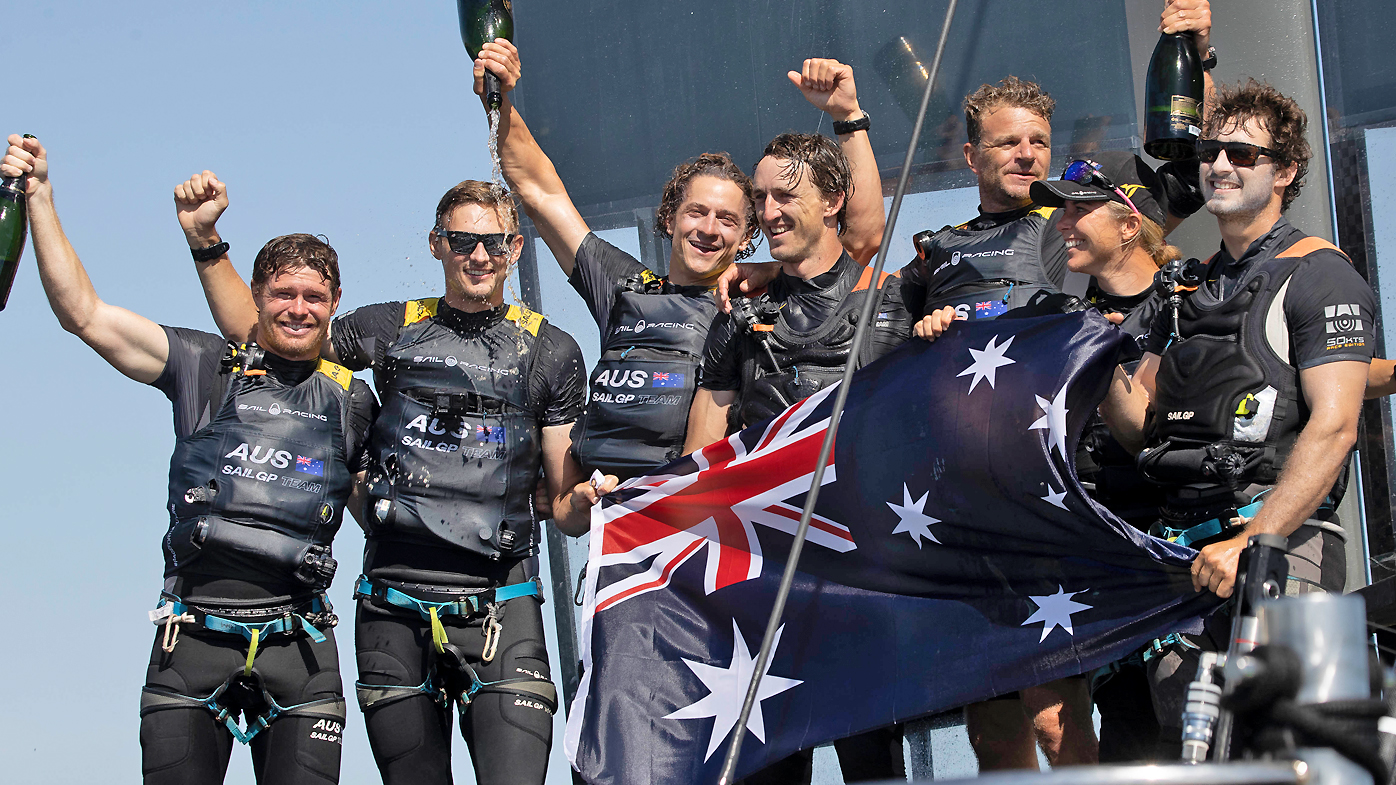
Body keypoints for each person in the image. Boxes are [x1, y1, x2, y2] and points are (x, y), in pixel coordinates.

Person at [189, 173, 593, 782]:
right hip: (392, 612)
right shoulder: (388, 326)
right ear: (436, 244)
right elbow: (268, 334)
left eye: (493, 242)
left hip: (501, 608)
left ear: (515, 248)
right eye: (461, 241)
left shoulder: (552, 350)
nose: (478, 255)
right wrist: (207, 243)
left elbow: (567, 509)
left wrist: (587, 499)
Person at [3, 135, 377, 784]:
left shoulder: (351, 403)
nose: (297, 307)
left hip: (301, 649)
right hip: (191, 640)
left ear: (336, 303)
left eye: (313, 297)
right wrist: (40, 199)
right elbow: (84, 315)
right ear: (256, 296)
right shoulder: (202, 363)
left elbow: (386, 519)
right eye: (283, 293)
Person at [903, 2, 1216, 770]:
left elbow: (1185, 173)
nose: (1026, 154)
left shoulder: (1083, 222)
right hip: (970, 501)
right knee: (993, 727)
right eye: (1007, 142)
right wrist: (924, 336)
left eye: (1038, 140)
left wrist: (1199, 59)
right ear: (970, 155)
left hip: (1064, 489)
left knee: (1055, 717)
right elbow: (879, 351)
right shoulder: (932, 255)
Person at [1098, 78, 1375, 755]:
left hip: (1284, 545)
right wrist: (1093, 360)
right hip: (1185, 559)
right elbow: (1142, 429)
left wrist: (1255, 540)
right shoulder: (1184, 287)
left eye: (1243, 155)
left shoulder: (1321, 274)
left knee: (1298, 758)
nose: (1220, 165)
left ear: (1284, 171)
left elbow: (1335, 427)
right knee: (1198, 756)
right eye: (1212, 151)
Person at [477, 38, 886, 481]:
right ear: (670, 217)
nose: (709, 229)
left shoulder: (758, 301)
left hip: (704, 523)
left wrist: (848, 118)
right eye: (696, 212)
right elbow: (540, 191)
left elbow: (858, 240)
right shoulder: (624, 288)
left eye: (728, 219)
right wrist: (500, 100)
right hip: (618, 520)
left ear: (751, 233)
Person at [684, 132, 912, 784]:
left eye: (786, 195)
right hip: (765, 579)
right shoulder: (739, 310)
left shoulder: (892, 299)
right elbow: (700, 458)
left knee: (874, 767)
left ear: (834, 199)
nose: (769, 212)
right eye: (761, 198)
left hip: (861, 581)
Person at [1027, 151, 1181, 762]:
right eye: (1059, 209)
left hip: (1176, 543)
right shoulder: (1058, 316)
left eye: (1079, 208)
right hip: (1094, 543)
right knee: (1124, 736)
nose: (1063, 222)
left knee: (1179, 721)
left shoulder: (1193, 297)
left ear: (1127, 222)